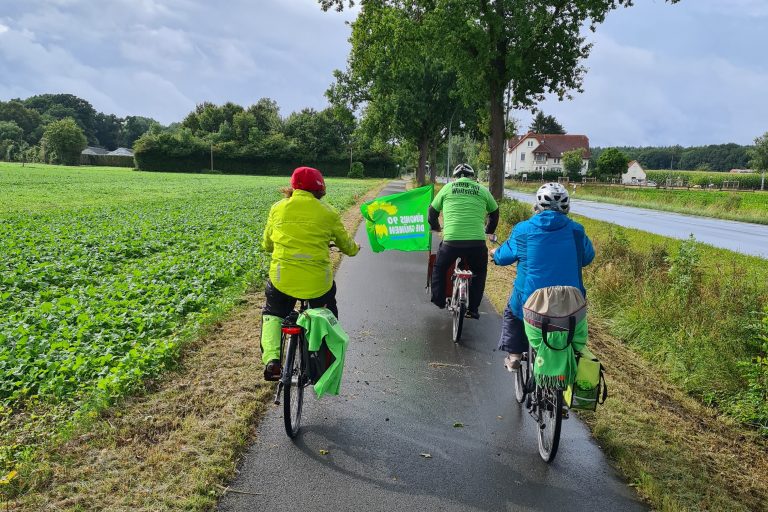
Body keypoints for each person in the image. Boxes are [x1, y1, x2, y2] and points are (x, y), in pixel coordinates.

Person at [260, 166, 360, 380]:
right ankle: (320, 368)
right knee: (327, 314)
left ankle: (272, 360)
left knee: (273, 314)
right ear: (320, 190)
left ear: (293, 187)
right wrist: (355, 248)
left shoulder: (277, 208)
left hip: (282, 279)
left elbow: (267, 245)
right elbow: (347, 247)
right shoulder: (328, 212)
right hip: (317, 284)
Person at [491, 182, 595, 370]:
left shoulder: (523, 230)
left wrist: (495, 254)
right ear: (567, 207)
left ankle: (514, 357)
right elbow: (588, 257)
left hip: (531, 304)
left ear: (537, 206)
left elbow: (503, 257)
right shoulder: (577, 230)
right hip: (572, 305)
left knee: (513, 311)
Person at [428, 163, 499, 319]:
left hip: (452, 242)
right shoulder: (482, 190)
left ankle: (439, 300)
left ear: (455, 176)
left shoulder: (447, 188)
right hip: (476, 243)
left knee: (439, 267)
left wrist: (436, 227)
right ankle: (473, 309)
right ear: (472, 177)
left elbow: (432, 212)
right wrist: (489, 231)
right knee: (479, 272)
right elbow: (494, 213)